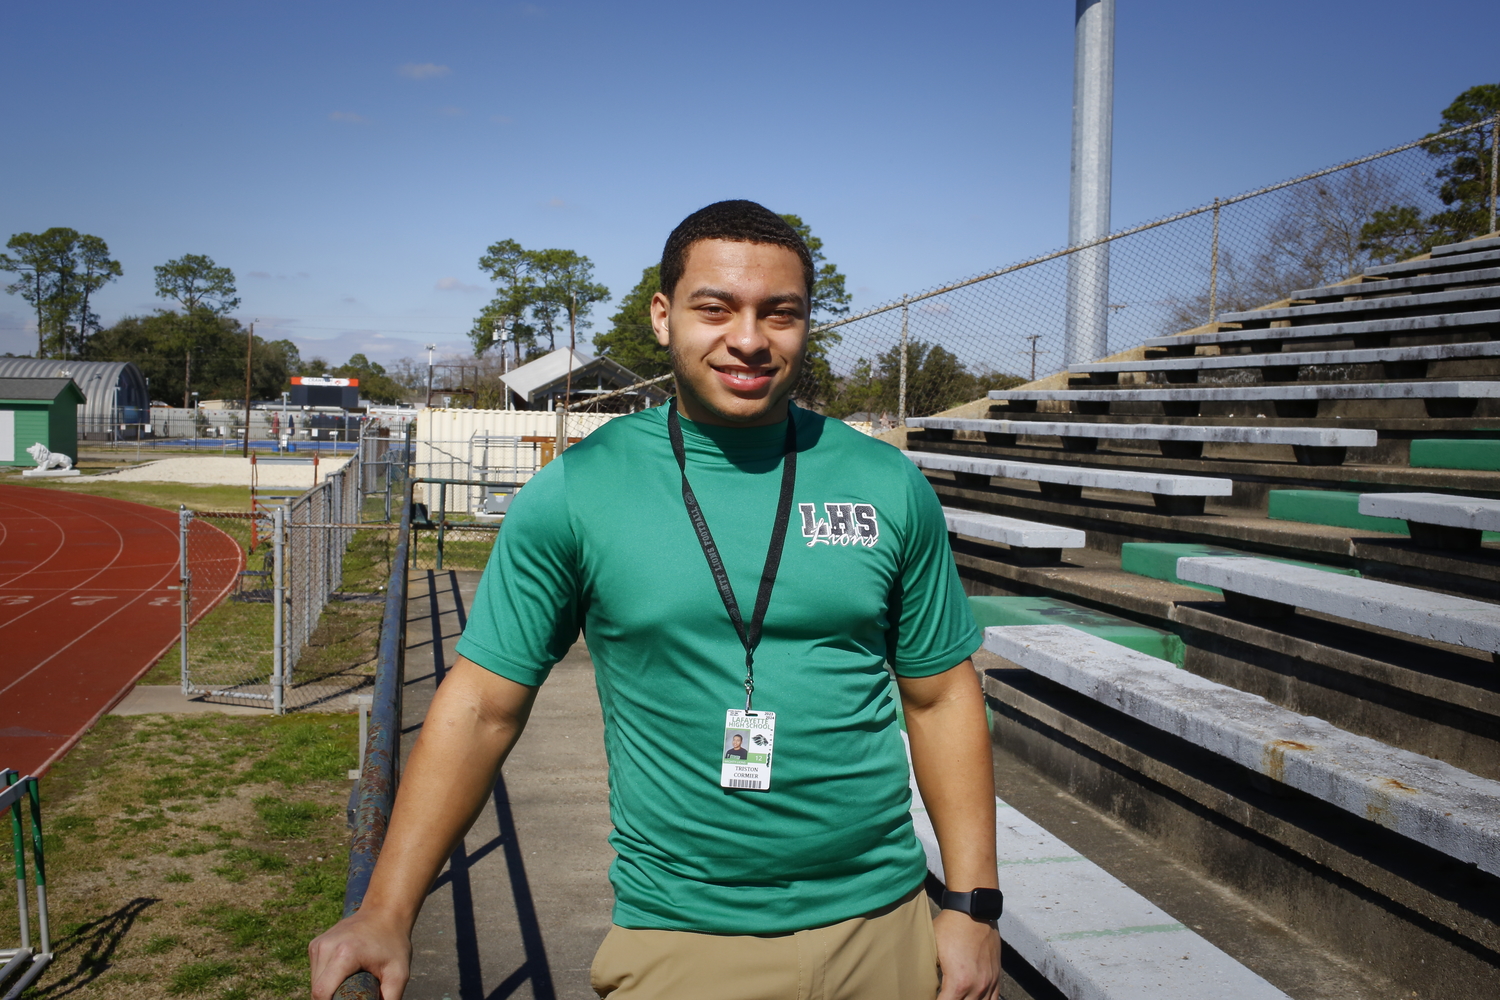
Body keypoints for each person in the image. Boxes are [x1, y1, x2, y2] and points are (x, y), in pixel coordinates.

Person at [309, 200, 1002, 1000]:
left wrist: (972, 905)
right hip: (684, 940)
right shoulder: (578, 491)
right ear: (663, 316)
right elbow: (481, 706)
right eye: (717, 308)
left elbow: (944, 695)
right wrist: (387, 908)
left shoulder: (886, 483)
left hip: (885, 928)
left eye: (780, 313)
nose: (749, 339)